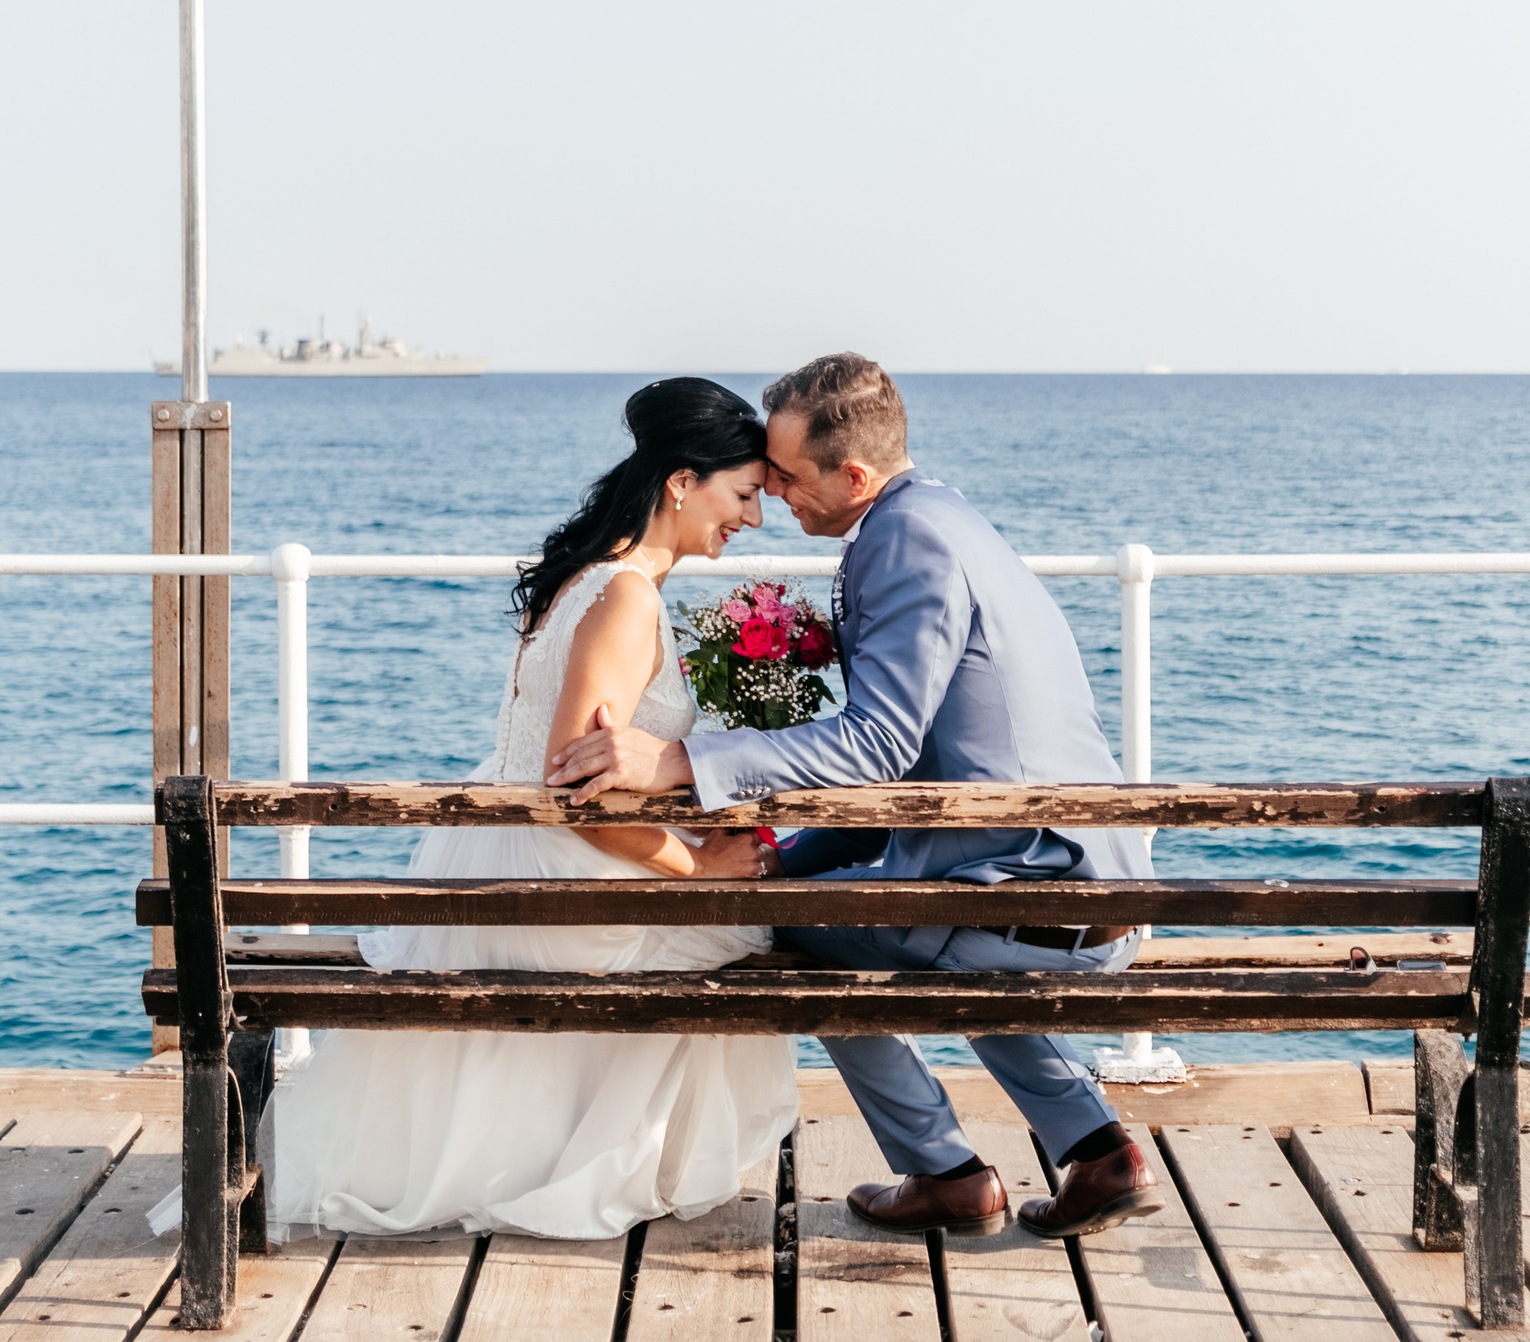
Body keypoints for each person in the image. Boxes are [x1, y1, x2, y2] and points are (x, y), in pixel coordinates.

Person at [155, 378, 796, 1242]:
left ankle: (549, 1145)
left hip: (493, 856)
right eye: (745, 494)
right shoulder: (629, 595)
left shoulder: (582, 577)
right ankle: (593, 1160)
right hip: (555, 870)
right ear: (683, 481)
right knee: (744, 932)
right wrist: (695, 861)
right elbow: (576, 793)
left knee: (735, 918)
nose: (753, 518)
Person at [550, 352, 1162, 1240]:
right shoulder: (942, 516)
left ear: (857, 476)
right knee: (874, 914)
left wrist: (680, 760)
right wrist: (791, 850)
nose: (776, 498)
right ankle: (1100, 1151)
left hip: (1032, 897)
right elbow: (903, 772)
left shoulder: (903, 542)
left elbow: (877, 743)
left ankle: (943, 1170)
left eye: (789, 479)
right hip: (1077, 880)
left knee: (797, 925)